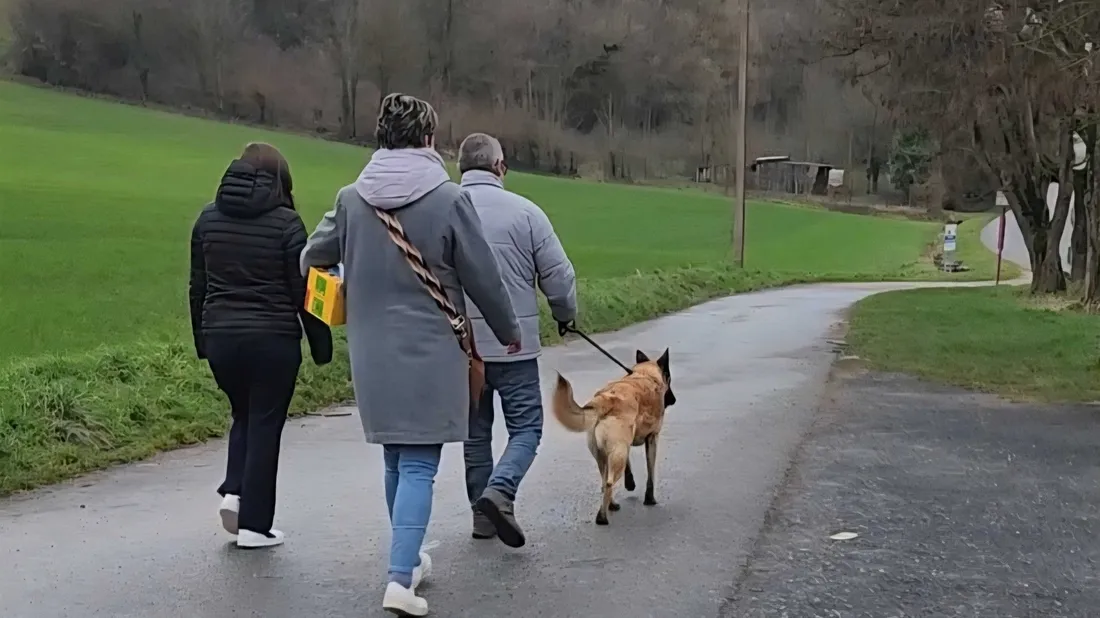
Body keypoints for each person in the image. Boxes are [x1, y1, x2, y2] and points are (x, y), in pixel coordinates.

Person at [300, 94, 520, 616]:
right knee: (420, 461)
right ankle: (400, 580)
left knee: (396, 456)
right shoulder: (449, 199)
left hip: (371, 353)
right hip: (432, 352)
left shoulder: (351, 198)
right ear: (428, 139)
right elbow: (483, 276)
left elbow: (311, 256)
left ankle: (410, 554)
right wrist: (508, 330)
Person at [189, 142, 333, 549]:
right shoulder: (288, 224)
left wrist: (203, 341)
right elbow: (304, 292)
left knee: (244, 414)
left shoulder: (207, 219)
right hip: (273, 340)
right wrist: (321, 346)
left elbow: (198, 287)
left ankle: (235, 494)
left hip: (221, 338)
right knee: (266, 423)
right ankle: (255, 526)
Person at [457, 133, 578, 549]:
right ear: (499, 167)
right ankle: (500, 490)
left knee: (475, 433)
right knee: (526, 427)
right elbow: (558, 276)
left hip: (462, 347)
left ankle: (482, 516)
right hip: (515, 347)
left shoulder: (445, 209)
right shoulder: (526, 213)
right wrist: (564, 315)